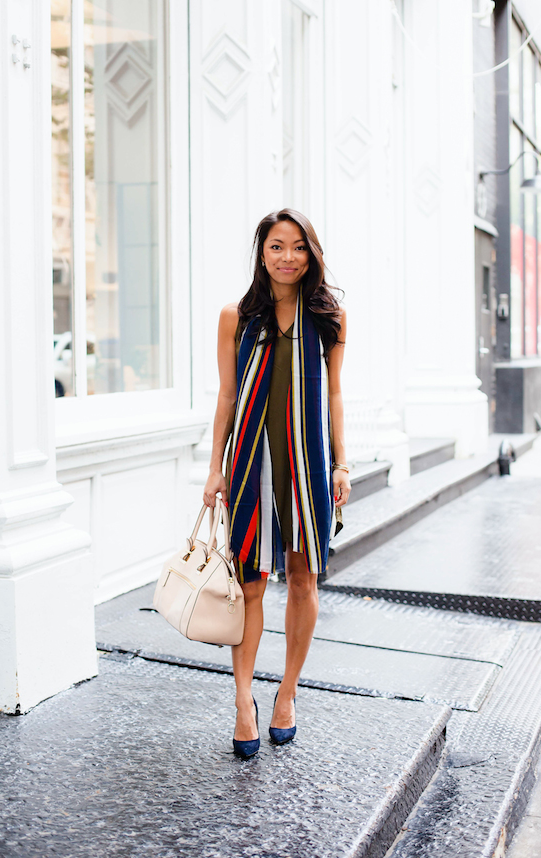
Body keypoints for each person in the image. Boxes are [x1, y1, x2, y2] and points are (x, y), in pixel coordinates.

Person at [203, 209, 350, 758]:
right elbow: (225, 396)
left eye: (298, 247)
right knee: (252, 585)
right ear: (261, 252)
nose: (287, 257)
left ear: (311, 254)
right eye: (276, 246)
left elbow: (334, 394)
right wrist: (215, 468)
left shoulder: (329, 317)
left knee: (304, 580)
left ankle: (286, 693)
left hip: (307, 464)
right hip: (251, 463)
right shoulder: (236, 317)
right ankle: (244, 700)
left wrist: (341, 463)